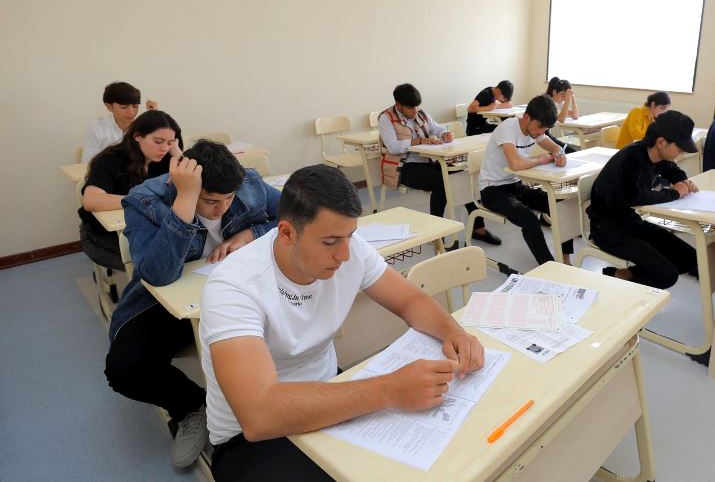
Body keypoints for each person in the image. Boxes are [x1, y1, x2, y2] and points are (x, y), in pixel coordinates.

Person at [200, 164, 485, 481]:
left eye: (350, 236)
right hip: (250, 440)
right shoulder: (233, 286)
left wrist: (453, 333)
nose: (345, 254)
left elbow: (410, 300)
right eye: (331, 242)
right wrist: (391, 389)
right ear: (287, 233)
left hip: (328, 391)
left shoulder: (350, 248)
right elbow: (259, 416)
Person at [104, 140, 281, 469]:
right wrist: (185, 201)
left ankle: (264, 395)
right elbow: (158, 274)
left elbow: (295, 217)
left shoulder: (249, 183)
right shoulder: (145, 199)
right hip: (165, 307)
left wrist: (252, 234)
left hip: (239, 296)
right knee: (125, 368)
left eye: (229, 199)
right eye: (211, 201)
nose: (222, 209)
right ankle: (190, 406)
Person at [587, 110, 700, 290]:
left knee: (690, 258)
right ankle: (619, 287)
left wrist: (683, 181)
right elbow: (637, 197)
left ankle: (623, 275)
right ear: (661, 142)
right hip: (608, 228)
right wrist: (674, 193)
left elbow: (673, 171)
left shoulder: (659, 155)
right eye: (679, 148)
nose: (681, 152)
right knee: (667, 275)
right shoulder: (631, 159)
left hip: (631, 222)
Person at [379, 83, 501, 245]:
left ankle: (478, 228)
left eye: (417, 106)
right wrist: (419, 141)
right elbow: (392, 147)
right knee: (441, 182)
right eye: (411, 108)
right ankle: (437, 234)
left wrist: (445, 133)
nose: (415, 111)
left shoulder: (420, 113)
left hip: (427, 160)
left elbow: (437, 128)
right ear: (398, 105)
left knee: (462, 175)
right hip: (402, 167)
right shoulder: (386, 118)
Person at [79, 110, 182, 271]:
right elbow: (91, 201)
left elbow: (194, 186)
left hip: (149, 227)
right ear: (137, 136)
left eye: (170, 142)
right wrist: (142, 201)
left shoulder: (166, 158)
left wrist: (177, 153)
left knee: (181, 254)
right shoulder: (110, 160)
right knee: (159, 264)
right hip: (104, 234)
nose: (164, 148)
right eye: (158, 141)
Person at [479, 95, 574, 265]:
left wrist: (559, 154)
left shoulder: (535, 130)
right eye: (540, 127)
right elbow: (515, 164)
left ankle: (565, 259)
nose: (541, 133)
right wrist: (540, 160)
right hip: (492, 190)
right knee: (529, 220)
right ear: (526, 117)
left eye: (545, 129)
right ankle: (549, 266)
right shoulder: (508, 129)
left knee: (559, 206)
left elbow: (554, 147)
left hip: (515, 186)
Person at [82, 81, 159, 162]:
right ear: (109, 107)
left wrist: (155, 115)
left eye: (135, 106)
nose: (131, 112)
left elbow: (157, 156)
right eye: (124, 107)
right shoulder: (96, 127)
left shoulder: (144, 126)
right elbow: (88, 162)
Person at [544, 77, 579, 154]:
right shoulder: (547, 102)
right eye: (562, 95)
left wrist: (572, 97)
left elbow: (575, 116)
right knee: (568, 151)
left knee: (572, 151)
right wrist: (567, 100)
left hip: (546, 135)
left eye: (565, 96)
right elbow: (561, 119)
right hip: (542, 136)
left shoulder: (557, 102)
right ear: (554, 92)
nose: (564, 98)